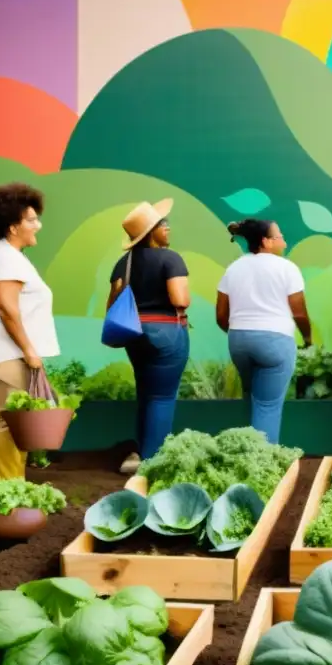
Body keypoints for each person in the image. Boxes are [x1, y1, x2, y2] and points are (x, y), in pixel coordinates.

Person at [0, 183, 61, 482]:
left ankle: (8, 491)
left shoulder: (8, 256)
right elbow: (7, 309)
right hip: (9, 352)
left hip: (11, 352)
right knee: (10, 421)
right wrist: (29, 350)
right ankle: (4, 495)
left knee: (15, 422)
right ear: (13, 227)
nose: (38, 225)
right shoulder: (7, 258)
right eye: (31, 220)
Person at [107, 200, 190, 474]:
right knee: (163, 397)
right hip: (166, 332)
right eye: (161, 224)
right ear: (149, 232)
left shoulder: (124, 263)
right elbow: (180, 299)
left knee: (146, 393)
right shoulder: (171, 259)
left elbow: (112, 304)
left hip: (134, 334)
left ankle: (140, 454)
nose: (167, 227)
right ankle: (153, 464)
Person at [216, 219, 312, 444]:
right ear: (265, 242)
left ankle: (244, 455)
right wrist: (307, 337)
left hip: (239, 340)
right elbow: (299, 313)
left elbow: (221, 315)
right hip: (275, 342)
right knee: (267, 405)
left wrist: (238, 333)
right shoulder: (287, 268)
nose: (284, 241)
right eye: (279, 236)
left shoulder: (234, 268)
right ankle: (264, 468)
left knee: (252, 399)